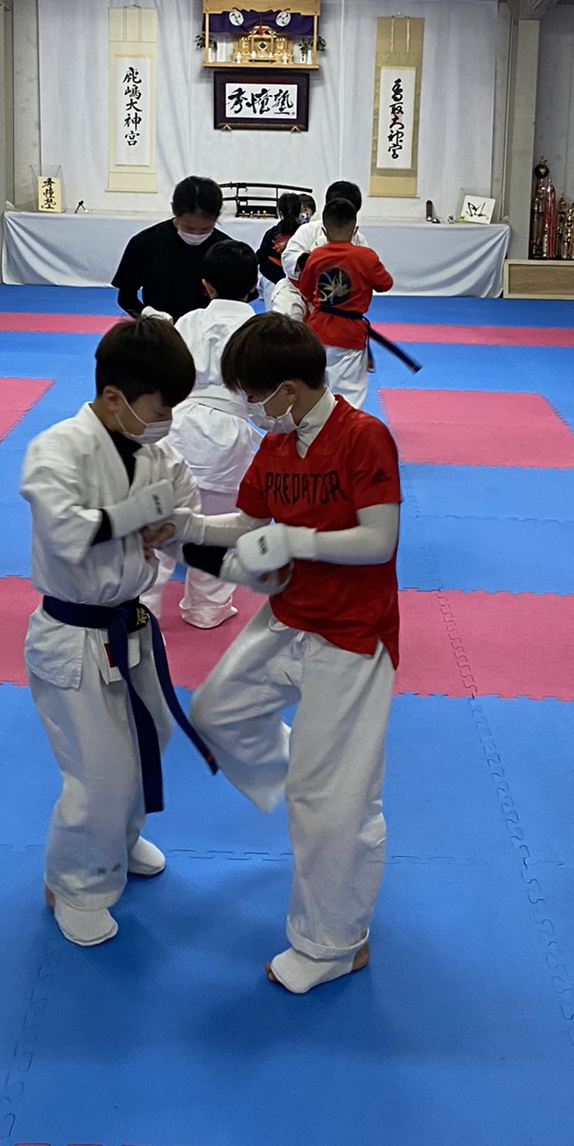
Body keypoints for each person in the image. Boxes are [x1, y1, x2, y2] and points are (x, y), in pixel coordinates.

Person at [180, 315, 401, 995]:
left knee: (331, 801)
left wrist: (297, 542)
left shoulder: (363, 435)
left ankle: (334, 945)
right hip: (287, 616)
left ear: (288, 390)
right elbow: (247, 523)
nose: (249, 408)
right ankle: (317, 782)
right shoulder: (275, 445)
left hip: (352, 634)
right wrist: (183, 525)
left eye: (253, 396)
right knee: (215, 711)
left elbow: (379, 540)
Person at [18, 316, 216, 948]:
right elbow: (65, 532)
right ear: (114, 397)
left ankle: (117, 843)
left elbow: (184, 512)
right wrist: (141, 514)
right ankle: (74, 885)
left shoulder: (158, 454)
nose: (168, 421)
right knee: (99, 771)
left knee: (150, 738)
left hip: (133, 622)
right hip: (73, 634)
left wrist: (173, 525)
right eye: (161, 408)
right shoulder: (57, 449)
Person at [152, 238, 261, 630]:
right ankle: (207, 608)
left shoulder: (188, 321)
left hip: (178, 430)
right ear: (255, 285)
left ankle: (141, 604)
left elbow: (167, 376)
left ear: (206, 285)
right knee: (218, 529)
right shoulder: (260, 330)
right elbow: (263, 396)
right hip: (229, 437)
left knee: (160, 524)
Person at [295, 197, 394, 409]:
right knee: (349, 394)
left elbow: (305, 289)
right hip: (350, 334)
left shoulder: (316, 255)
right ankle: (345, 427)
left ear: (324, 231)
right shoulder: (366, 257)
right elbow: (385, 284)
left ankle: (317, 426)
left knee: (317, 390)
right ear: (355, 230)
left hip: (318, 330)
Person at [112, 176, 230, 321]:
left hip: (211, 328)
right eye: (188, 228)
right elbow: (126, 297)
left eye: (206, 229)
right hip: (161, 329)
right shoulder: (144, 243)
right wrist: (147, 314)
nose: (196, 234)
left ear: (217, 216)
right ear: (174, 209)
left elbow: (241, 297)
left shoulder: (226, 250)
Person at [281, 178, 367, 279]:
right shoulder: (308, 230)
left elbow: (367, 269)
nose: (341, 218)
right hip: (299, 286)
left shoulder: (359, 239)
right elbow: (287, 258)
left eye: (348, 214)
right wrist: (305, 260)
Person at [257, 190, 315, 304]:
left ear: (279, 212)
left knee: (273, 314)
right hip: (296, 281)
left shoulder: (271, 232)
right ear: (299, 210)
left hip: (271, 279)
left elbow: (261, 256)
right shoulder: (305, 233)